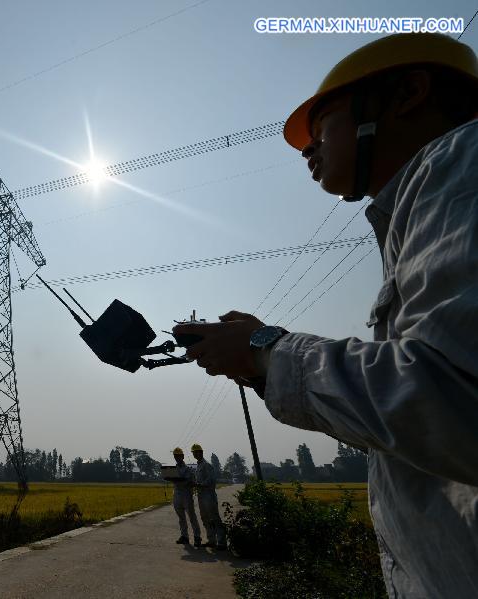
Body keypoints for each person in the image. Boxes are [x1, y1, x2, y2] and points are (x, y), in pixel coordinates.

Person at [172, 32, 478, 597]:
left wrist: (266, 349)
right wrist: (263, 357)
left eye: (321, 127)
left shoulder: (460, 165)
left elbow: (452, 397)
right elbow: (409, 425)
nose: (307, 150)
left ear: (408, 92)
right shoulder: (417, 211)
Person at [191, 443, 226, 550]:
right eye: (194, 453)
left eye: (197, 452)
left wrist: (199, 484)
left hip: (208, 495)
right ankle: (211, 540)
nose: (196, 454)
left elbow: (211, 480)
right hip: (201, 495)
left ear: (201, 452)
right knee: (205, 518)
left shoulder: (207, 465)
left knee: (214, 518)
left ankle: (221, 542)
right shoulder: (198, 466)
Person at [168, 447, 202, 546]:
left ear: (182, 456)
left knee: (192, 517)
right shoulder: (173, 469)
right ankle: (184, 536)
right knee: (181, 518)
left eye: (178, 455)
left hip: (186, 494)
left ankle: (197, 537)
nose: (176, 457)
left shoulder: (188, 469)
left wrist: (179, 480)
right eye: (175, 456)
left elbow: (188, 481)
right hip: (177, 495)